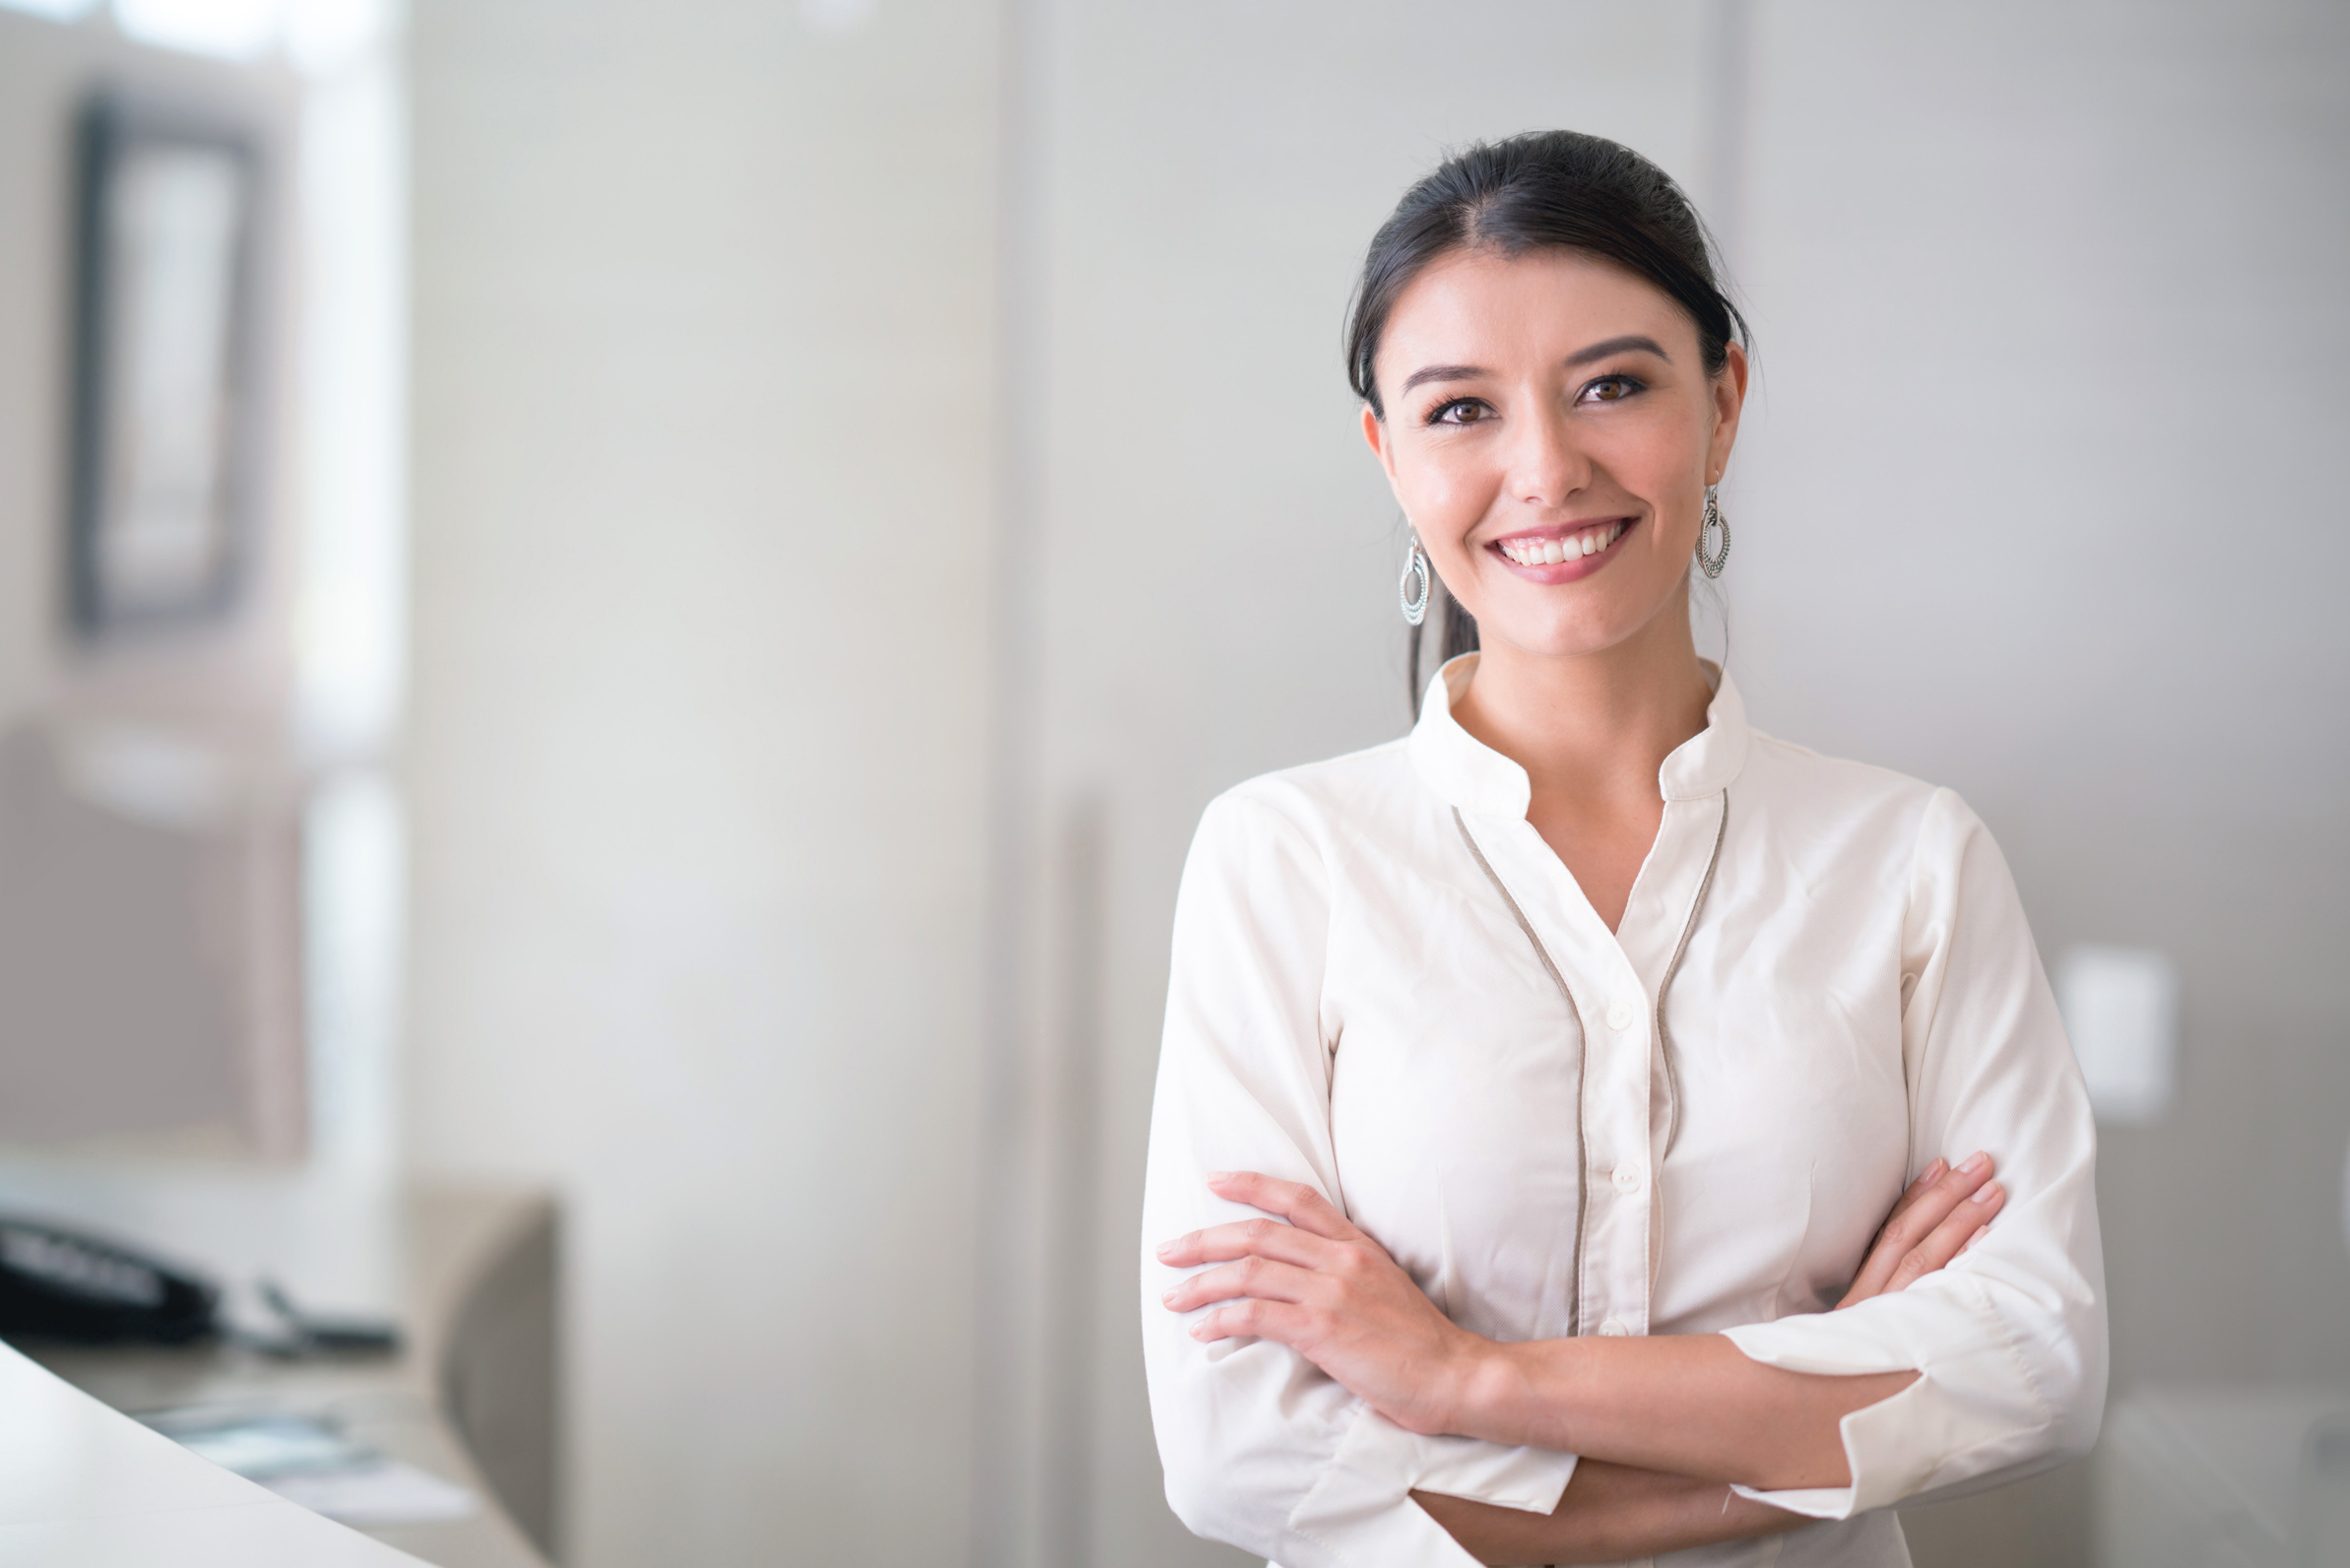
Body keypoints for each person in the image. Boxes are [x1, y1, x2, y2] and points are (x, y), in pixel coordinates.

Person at [1139, 131, 2105, 1567]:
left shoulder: (1909, 861)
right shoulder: (1281, 861)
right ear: (1388, 458)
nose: (1544, 468)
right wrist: (1811, 1399)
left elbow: (2033, 1362)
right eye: (1460, 410)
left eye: (1611, 385)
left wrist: (1466, 1381)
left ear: (1720, 403)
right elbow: (1245, 1456)